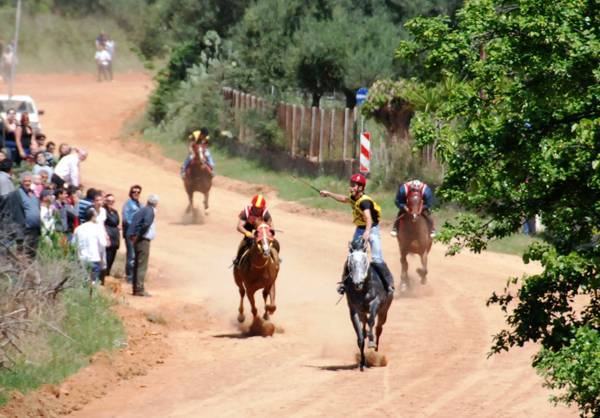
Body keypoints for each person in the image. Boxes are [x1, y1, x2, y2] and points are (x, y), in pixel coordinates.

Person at [319, 173, 394, 295]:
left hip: (371, 229)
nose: (351, 187)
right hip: (360, 229)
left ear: (360, 188)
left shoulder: (364, 202)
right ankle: (344, 283)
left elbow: (369, 219)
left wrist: (367, 232)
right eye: (351, 185)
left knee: (377, 259)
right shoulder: (354, 197)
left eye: (353, 185)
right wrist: (329, 194)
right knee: (352, 256)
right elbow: (344, 199)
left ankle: (389, 283)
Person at [2, 172, 41, 257]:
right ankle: (22, 270)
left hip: (34, 230)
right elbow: (9, 211)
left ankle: (31, 270)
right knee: (22, 253)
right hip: (24, 230)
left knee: (32, 254)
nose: (27, 183)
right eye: (25, 181)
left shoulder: (34, 194)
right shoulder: (15, 194)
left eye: (29, 181)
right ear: (21, 182)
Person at [232, 194, 278, 266]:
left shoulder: (265, 213)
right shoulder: (246, 211)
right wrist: (247, 233)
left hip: (261, 228)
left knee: (275, 242)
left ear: (262, 207)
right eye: (255, 207)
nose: (257, 209)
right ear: (252, 205)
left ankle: (275, 258)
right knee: (245, 242)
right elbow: (239, 226)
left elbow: (271, 225)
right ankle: (238, 258)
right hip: (249, 226)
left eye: (259, 208)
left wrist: (270, 233)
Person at [127, 194, 158, 297]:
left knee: (138, 264)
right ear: (156, 203)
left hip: (138, 239)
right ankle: (139, 289)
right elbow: (146, 224)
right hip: (143, 240)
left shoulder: (142, 210)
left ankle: (136, 288)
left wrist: (134, 235)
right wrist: (138, 235)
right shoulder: (150, 211)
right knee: (142, 265)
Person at [73, 208, 107, 286]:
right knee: (93, 284)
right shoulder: (98, 228)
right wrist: (103, 262)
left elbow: (73, 245)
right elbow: (102, 245)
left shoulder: (78, 229)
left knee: (82, 283)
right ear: (92, 217)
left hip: (82, 259)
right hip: (94, 259)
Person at [122, 185, 143, 284]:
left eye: (138, 192)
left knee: (137, 255)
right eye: (134, 192)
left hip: (138, 234)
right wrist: (136, 225)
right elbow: (126, 219)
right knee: (131, 255)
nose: (136, 194)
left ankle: (135, 276)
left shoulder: (140, 205)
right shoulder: (128, 204)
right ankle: (129, 277)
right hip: (131, 233)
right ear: (131, 193)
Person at [102, 193, 120, 281]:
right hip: (108, 238)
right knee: (106, 260)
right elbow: (112, 221)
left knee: (111, 260)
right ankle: (103, 279)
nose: (111, 203)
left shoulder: (115, 211)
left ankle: (107, 277)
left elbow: (117, 222)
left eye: (112, 201)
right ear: (105, 201)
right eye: (109, 201)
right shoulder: (103, 211)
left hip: (115, 239)